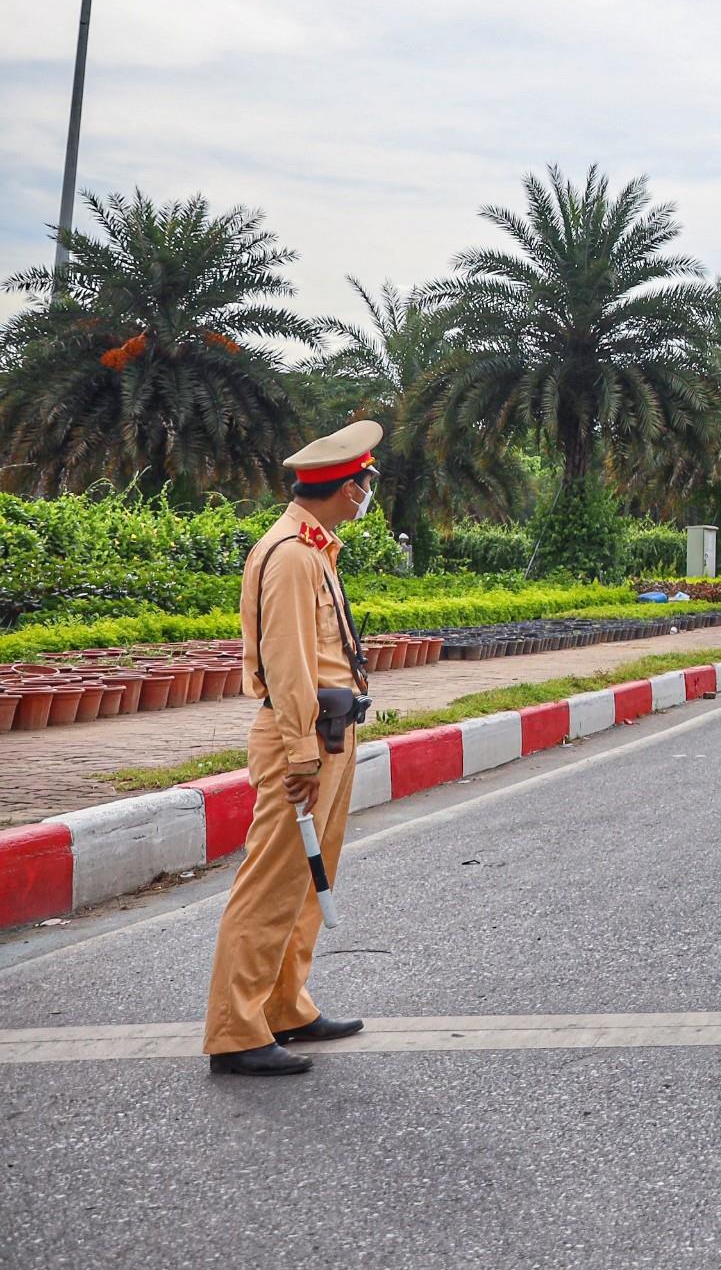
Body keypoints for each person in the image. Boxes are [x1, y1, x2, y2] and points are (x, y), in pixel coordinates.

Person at [203, 420, 382, 1077]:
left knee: (309, 878)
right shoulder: (289, 555)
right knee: (271, 883)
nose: (366, 493)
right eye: (365, 483)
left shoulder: (313, 548)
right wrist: (302, 755)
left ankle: (284, 1004)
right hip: (300, 741)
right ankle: (235, 1027)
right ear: (347, 487)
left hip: (328, 732)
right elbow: (286, 666)